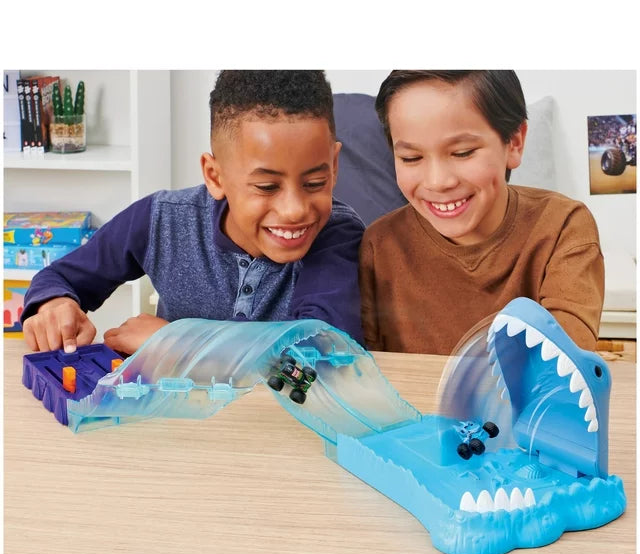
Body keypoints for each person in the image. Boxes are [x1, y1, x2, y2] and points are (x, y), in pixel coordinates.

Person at [21, 70, 365, 355]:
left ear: (334, 166)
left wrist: (174, 342)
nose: (294, 210)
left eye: (315, 183)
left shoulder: (336, 236)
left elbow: (321, 348)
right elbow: (59, 278)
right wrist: (55, 306)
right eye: (266, 187)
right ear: (214, 176)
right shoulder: (162, 219)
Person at [359, 70, 604, 355]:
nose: (438, 181)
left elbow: (562, 363)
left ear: (514, 142)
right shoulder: (379, 246)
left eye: (462, 152)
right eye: (411, 158)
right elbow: (364, 368)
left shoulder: (562, 227)